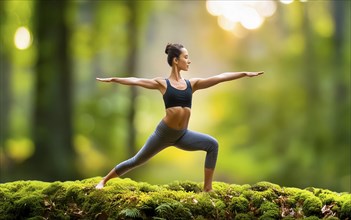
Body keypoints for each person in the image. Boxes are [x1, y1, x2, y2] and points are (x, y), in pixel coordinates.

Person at [95, 43, 263, 191]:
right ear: (176, 60)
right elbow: (137, 80)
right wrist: (114, 79)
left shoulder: (192, 84)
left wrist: (244, 73)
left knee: (212, 144)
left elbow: (219, 78)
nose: (189, 61)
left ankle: (207, 188)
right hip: (163, 135)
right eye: (186, 57)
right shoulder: (163, 84)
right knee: (136, 160)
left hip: (182, 135)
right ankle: (104, 180)